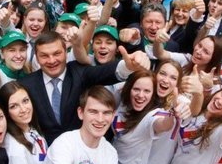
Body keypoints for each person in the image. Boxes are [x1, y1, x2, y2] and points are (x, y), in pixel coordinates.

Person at [18, 31, 150, 145]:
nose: (52, 60)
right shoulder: (25, 85)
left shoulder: (79, 72)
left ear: (66, 53)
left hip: (83, 151)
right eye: (44, 56)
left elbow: (105, 72)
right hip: (46, 156)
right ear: (36, 58)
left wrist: (127, 67)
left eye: (57, 53)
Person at [109, 70, 190, 164]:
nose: (141, 95)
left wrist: (174, 113)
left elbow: (163, 124)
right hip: (115, 157)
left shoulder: (152, 116)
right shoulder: (123, 101)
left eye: (147, 91)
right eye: (136, 89)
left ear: (153, 94)